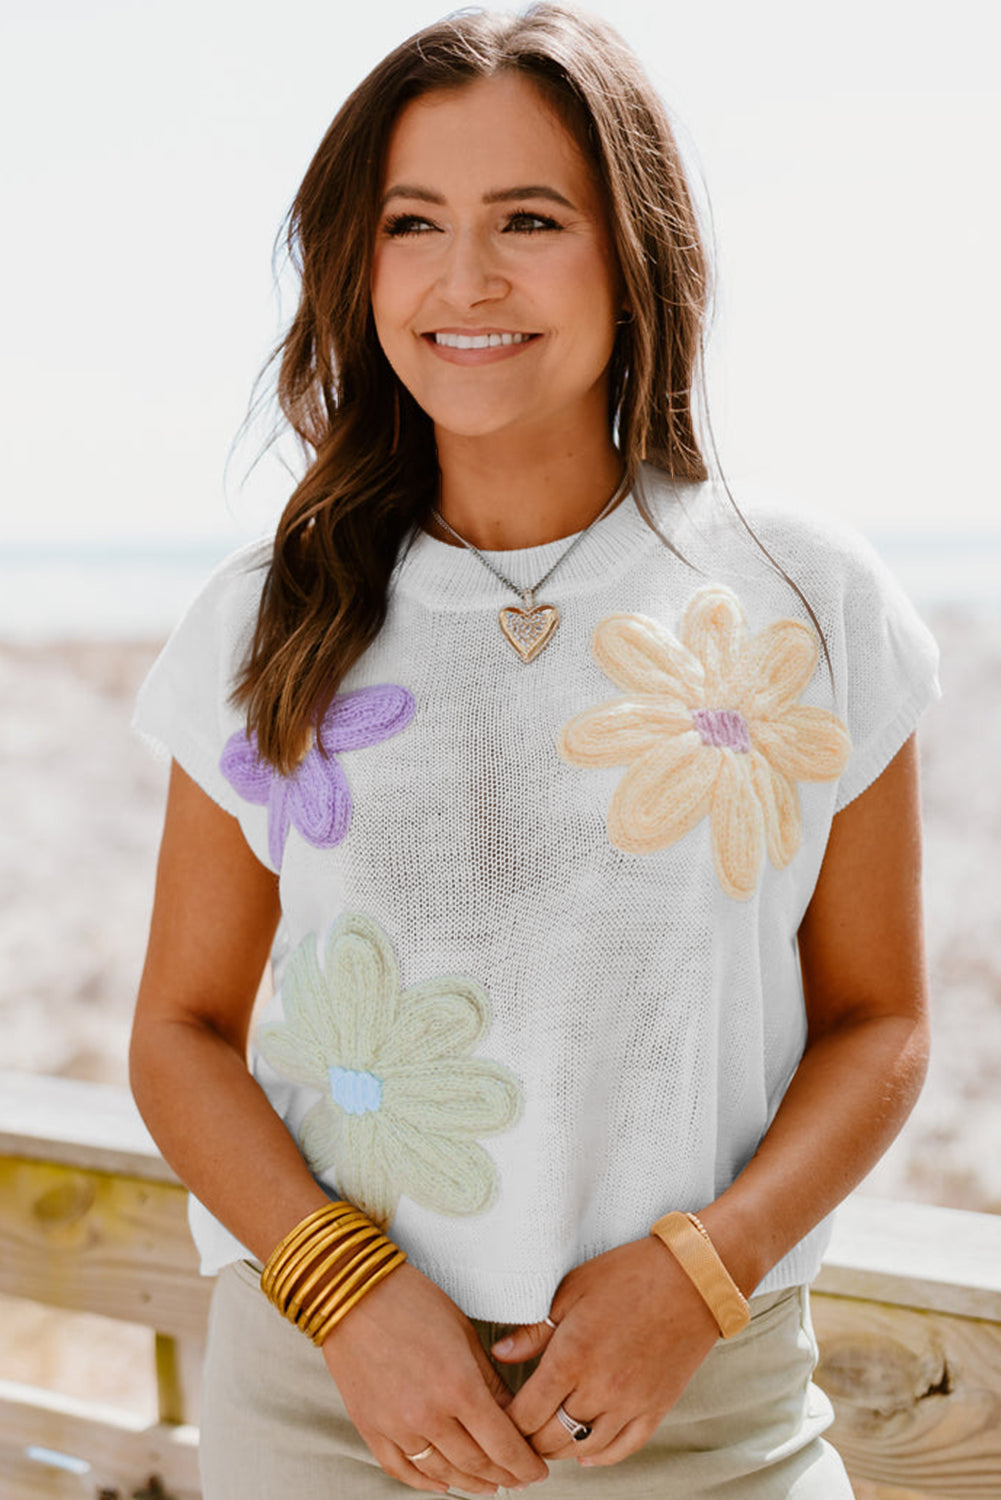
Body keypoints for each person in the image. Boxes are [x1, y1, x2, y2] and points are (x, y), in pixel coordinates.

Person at [129, 5, 939, 1496]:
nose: (465, 278)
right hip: (331, 1408)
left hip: (706, 1410)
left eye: (530, 219)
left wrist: (704, 1274)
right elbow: (178, 1033)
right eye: (412, 223)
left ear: (634, 254)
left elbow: (878, 1021)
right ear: (354, 265)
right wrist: (348, 1296)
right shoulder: (266, 619)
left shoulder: (805, 597)